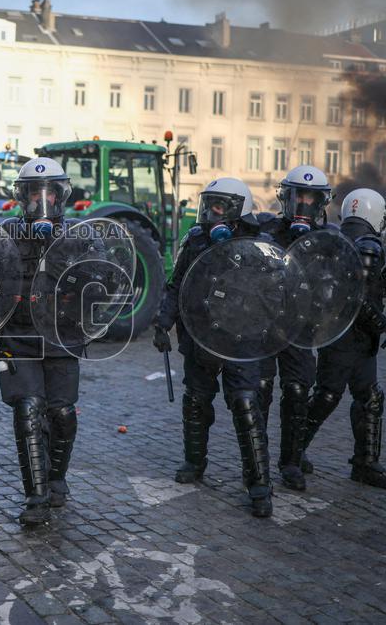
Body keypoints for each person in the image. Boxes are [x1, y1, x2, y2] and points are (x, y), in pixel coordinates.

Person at [153, 177, 273, 517]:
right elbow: (176, 286)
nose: (213, 212)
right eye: (211, 204)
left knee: (247, 406)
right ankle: (194, 462)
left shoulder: (259, 244)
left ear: (239, 210)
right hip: (201, 335)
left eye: (221, 206)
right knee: (196, 402)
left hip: (241, 339)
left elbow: (277, 295)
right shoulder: (196, 240)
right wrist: (163, 322)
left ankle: (260, 484)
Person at [0, 157, 85, 525]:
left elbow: (101, 281)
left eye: (48, 192)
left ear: (60, 194)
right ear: (24, 196)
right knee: (28, 408)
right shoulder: (6, 233)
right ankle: (35, 496)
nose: (41, 199)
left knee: (61, 413)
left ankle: (56, 477)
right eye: (35, 192)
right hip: (18, 336)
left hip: (62, 336)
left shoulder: (80, 234)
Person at [302, 189, 386, 490]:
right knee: (328, 396)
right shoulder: (369, 244)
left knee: (365, 396)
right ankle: (295, 454)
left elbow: (355, 286)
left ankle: (363, 463)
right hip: (351, 338)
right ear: (373, 213)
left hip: (338, 334)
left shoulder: (337, 237)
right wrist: (384, 324)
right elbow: (356, 298)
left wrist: (381, 284)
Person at [256, 165, 333, 491]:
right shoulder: (267, 231)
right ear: (286, 197)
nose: (303, 202)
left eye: (310, 197)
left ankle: (290, 461)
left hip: (301, 329)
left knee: (298, 392)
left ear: (320, 202)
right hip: (265, 325)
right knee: (258, 391)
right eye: (298, 195)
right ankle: (256, 463)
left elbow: (337, 284)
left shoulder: (329, 240)